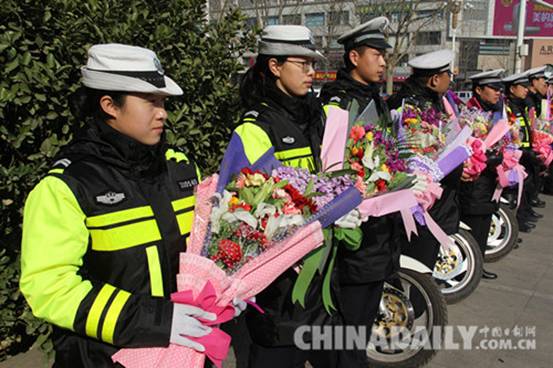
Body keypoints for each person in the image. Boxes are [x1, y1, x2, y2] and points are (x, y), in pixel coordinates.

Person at [19, 44, 240, 367]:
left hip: (189, 349)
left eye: (163, 102)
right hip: (108, 358)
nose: (162, 112)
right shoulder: (67, 185)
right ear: (109, 105)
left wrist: (230, 289)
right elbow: (50, 287)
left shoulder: (180, 168)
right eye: (150, 102)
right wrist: (157, 321)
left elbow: (202, 249)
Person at [229, 25, 334, 368]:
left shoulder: (315, 117)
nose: (310, 71)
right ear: (274, 67)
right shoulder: (255, 128)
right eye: (301, 63)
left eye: (312, 64)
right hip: (277, 288)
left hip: (319, 273)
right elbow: (244, 214)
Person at [318, 17, 403, 368]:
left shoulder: (375, 100)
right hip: (355, 240)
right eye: (376, 54)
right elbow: (331, 168)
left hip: (378, 236)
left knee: (360, 328)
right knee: (346, 331)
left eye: (385, 55)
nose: (384, 62)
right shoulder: (337, 102)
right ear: (354, 57)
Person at [387, 49, 464, 272]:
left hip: (438, 202)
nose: (451, 79)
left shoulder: (436, 102)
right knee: (416, 266)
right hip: (421, 204)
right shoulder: (409, 108)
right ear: (434, 80)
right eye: (448, 74)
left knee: (425, 264)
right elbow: (412, 154)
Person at [460, 69, 506, 279]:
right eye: (494, 88)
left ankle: (477, 266)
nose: (498, 92)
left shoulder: (495, 113)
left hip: (489, 182)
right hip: (474, 184)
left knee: (484, 223)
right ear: (478, 90)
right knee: (473, 226)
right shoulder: (468, 115)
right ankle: (467, 269)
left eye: (500, 88)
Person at [503, 71, 545, 233]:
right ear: (512, 89)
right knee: (515, 190)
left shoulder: (520, 105)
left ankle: (524, 215)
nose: (526, 90)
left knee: (525, 186)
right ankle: (517, 221)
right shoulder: (509, 108)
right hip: (516, 155)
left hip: (525, 152)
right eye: (523, 87)